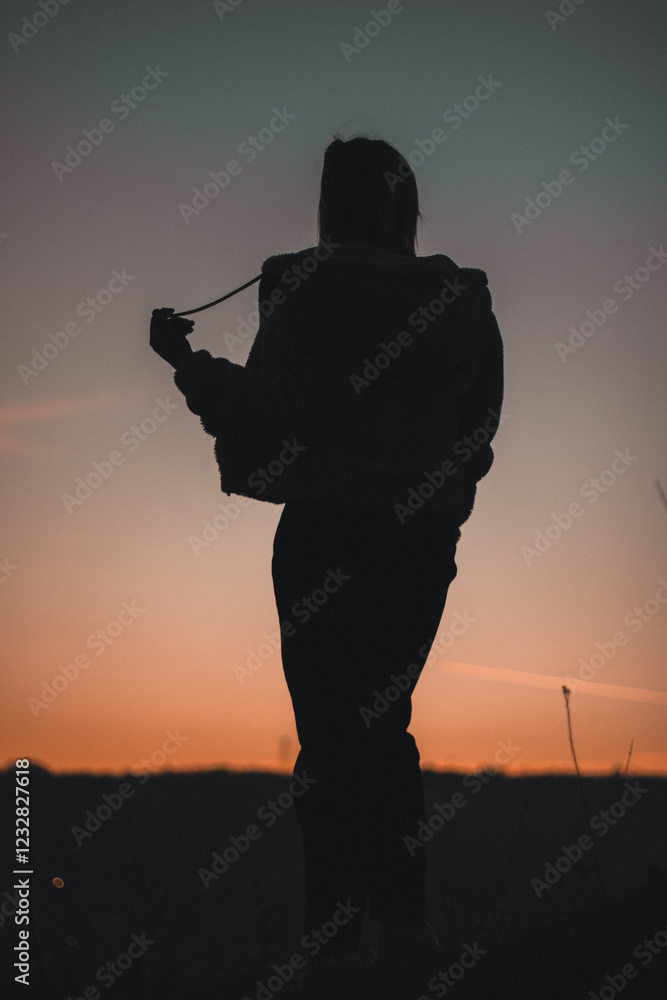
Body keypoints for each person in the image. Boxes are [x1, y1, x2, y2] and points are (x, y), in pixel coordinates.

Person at [150, 135, 504, 994]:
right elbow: (478, 431)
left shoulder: (309, 289)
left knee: (329, 741)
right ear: (405, 206)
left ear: (330, 204)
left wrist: (187, 366)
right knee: (383, 731)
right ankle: (407, 933)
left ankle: (336, 951)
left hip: (326, 538)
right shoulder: (461, 303)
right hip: (419, 543)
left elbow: (279, 418)